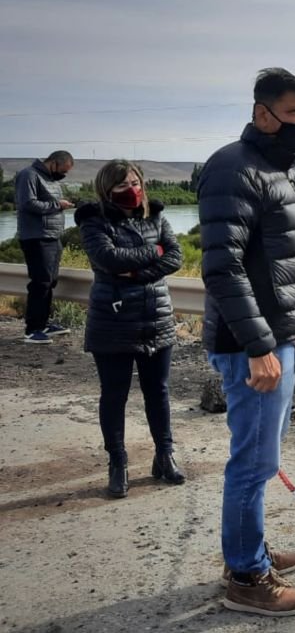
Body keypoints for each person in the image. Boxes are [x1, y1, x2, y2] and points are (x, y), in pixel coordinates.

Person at [199, 67, 295, 617]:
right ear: (262, 113)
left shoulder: (278, 169)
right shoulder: (233, 169)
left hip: (278, 338)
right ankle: (247, 578)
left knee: (262, 460)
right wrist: (259, 346)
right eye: (294, 114)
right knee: (252, 463)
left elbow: (279, 263)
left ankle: (247, 552)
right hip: (250, 344)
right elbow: (223, 269)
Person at [74, 159, 185, 499]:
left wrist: (137, 273)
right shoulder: (94, 220)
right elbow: (109, 260)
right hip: (113, 322)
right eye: (122, 185)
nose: (131, 190)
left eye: (135, 182)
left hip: (157, 319)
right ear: (106, 190)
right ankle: (117, 463)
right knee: (114, 395)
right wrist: (153, 251)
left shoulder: (156, 215)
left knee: (159, 392)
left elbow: (175, 257)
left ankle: (164, 456)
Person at [15, 151, 75, 344]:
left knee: (50, 281)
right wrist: (58, 205)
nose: (63, 175)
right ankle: (32, 330)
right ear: (54, 163)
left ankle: (43, 324)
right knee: (41, 282)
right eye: (63, 170)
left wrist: (58, 205)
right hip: (36, 236)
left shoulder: (49, 178)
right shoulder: (29, 175)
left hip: (52, 236)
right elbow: (27, 203)